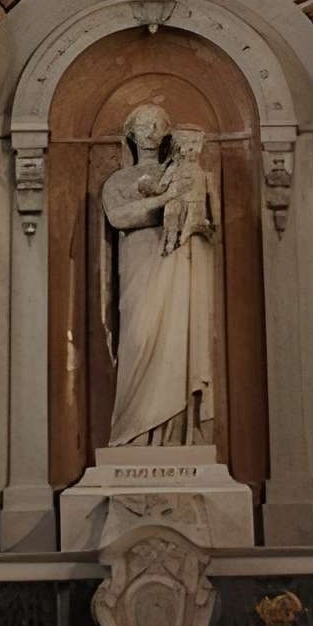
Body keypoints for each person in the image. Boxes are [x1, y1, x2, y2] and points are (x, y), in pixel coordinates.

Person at [98, 104, 216, 448]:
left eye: (156, 125)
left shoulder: (183, 173)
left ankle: (174, 439)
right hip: (138, 271)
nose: (149, 131)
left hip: (176, 269)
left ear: (166, 134)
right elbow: (120, 217)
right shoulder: (119, 181)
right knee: (137, 340)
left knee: (175, 344)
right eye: (142, 124)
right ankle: (131, 436)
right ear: (131, 134)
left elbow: (204, 218)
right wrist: (164, 201)